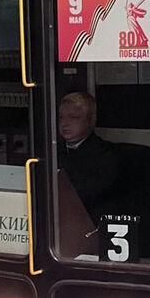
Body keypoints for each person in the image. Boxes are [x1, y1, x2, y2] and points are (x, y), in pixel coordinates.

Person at [57, 92, 123, 224]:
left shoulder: (107, 155)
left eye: (73, 117)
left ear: (90, 120)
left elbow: (87, 196)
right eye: (61, 117)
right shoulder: (51, 152)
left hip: (89, 224)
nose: (65, 123)